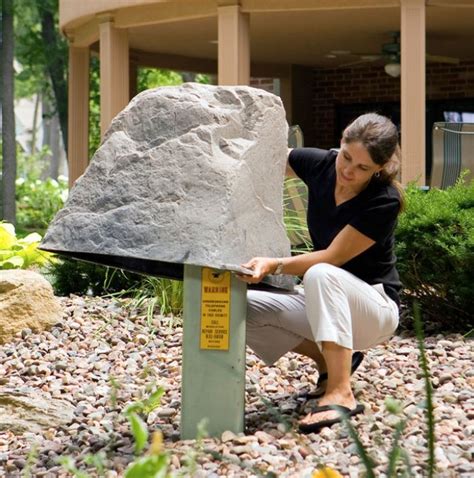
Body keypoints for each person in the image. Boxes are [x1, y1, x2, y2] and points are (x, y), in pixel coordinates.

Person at [239, 113, 403, 434]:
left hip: (375, 311)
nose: (348, 171)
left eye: (363, 168)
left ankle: (341, 393)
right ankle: (331, 361)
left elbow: (332, 258)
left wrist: (272, 264)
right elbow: (270, 161)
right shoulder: (321, 164)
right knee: (241, 307)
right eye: (346, 157)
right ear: (341, 142)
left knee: (321, 273)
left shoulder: (383, 201)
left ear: (380, 169)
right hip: (326, 301)